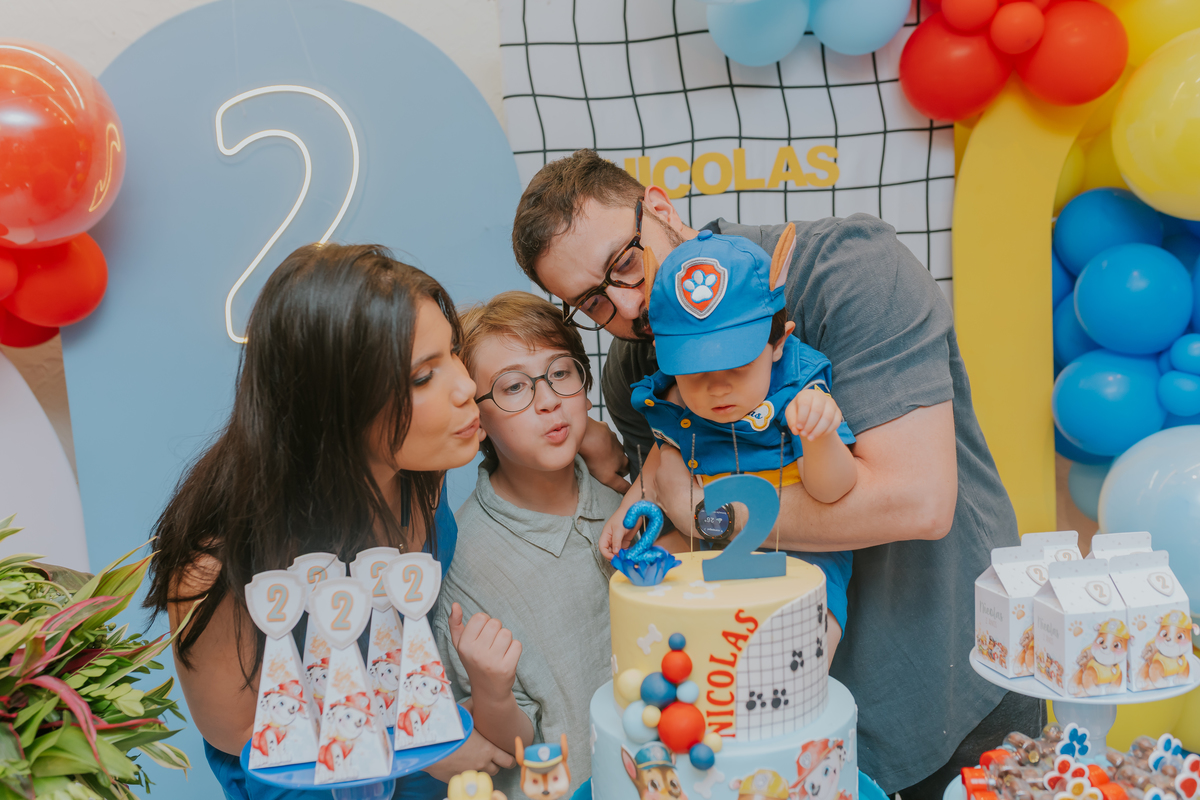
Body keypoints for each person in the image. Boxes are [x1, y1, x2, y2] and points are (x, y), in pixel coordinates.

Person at [510, 150, 1043, 798]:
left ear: (658, 208)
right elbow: (696, 550)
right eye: (592, 302)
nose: (629, 305)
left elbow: (917, 503)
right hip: (766, 743)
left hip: (948, 694)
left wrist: (696, 505)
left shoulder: (848, 269)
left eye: (625, 263)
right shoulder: (638, 376)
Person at [146, 244, 514, 800]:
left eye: (453, 355)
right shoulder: (212, 570)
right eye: (421, 377)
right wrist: (409, 745)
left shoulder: (420, 473)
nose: (467, 388)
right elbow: (248, 741)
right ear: (332, 406)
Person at [601, 227, 858, 658]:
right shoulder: (672, 394)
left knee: (802, 645)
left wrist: (819, 436)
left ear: (777, 342)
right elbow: (665, 457)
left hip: (797, 549)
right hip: (702, 537)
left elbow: (833, 492)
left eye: (736, 364)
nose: (716, 388)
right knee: (647, 591)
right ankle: (680, 693)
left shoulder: (800, 387)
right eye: (695, 368)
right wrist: (629, 507)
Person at [431, 292, 622, 799]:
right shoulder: (463, 567)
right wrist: (492, 689)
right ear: (477, 418)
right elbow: (506, 747)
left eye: (561, 372)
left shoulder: (629, 499)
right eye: (513, 386)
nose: (548, 400)